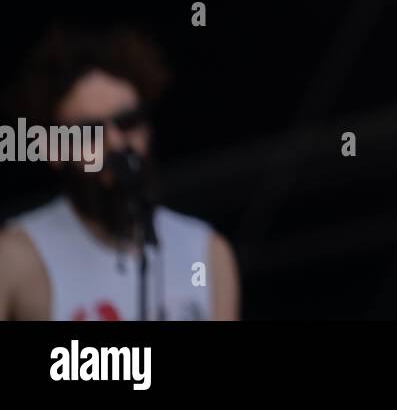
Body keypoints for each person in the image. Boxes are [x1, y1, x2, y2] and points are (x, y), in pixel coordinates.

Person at [0, 23, 240, 320]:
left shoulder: (205, 253)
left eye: (127, 122)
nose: (114, 142)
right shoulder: (15, 258)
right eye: (89, 132)